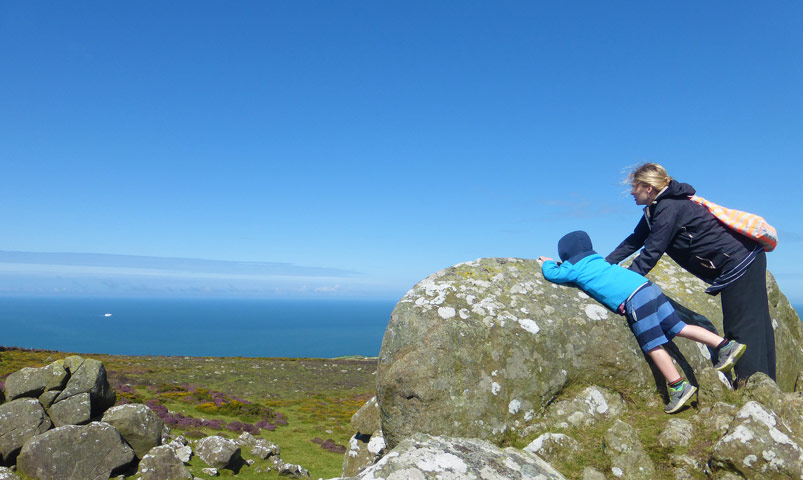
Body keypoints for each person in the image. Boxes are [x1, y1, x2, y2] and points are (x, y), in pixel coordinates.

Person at [538, 230, 746, 414]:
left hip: (636, 299)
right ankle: (726, 346)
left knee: (652, 344)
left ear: (566, 255)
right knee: (679, 327)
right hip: (648, 287)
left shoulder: (574, 267)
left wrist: (547, 261)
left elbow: (553, 274)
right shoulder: (599, 261)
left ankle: (678, 387)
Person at [606, 163, 775, 386]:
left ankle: (752, 385)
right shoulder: (656, 210)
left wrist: (624, 286)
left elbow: (652, 251)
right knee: (755, 322)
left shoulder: (669, 207)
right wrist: (604, 265)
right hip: (742, 258)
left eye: (634, 186)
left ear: (648, 187)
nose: (631, 192)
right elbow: (635, 240)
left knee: (742, 326)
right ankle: (765, 383)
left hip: (738, 262)